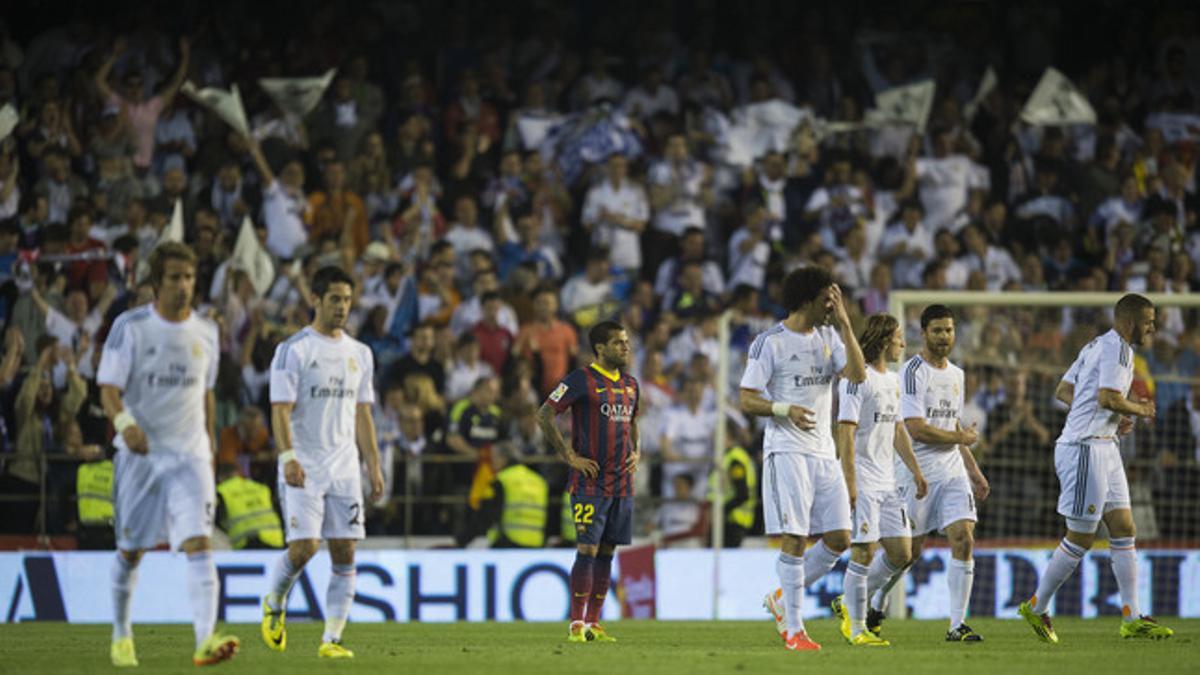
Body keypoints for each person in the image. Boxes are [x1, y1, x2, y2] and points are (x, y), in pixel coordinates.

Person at [96, 242, 238, 667]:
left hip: (190, 454)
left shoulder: (207, 333)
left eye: (189, 277)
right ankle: (122, 634)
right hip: (141, 456)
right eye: (174, 277)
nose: (183, 286)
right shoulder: (131, 327)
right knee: (131, 550)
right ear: (156, 283)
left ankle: (204, 639)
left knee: (199, 543)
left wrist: (209, 446)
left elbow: (206, 394)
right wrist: (125, 426)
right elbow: (108, 390)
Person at [1019, 294, 1174, 643]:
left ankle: (1132, 617)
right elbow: (1106, 397)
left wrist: (1112, 417)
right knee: (1082, 536)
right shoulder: (1120, 350)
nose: (1152, 328)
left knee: (1124, 526)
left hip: (1105, 444)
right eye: (1149, 322)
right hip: (1085, 447)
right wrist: (1139, 409)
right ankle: (1036, 604)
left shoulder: (1094, 346)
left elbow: (1064, 390)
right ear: (1131, 322)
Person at [260, 266, 385, 660]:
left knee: (346, 551)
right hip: (304, 464)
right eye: (334, 299)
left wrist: (374, 465)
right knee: (304, 547)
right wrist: (287, 456)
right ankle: (274, 600)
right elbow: (280, 411)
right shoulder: (294, 350)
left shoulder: (360, 354)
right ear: (315, 299)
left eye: (347, 299)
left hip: (344, 466)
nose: (342, 307)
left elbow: (363, 414)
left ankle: (331, 640)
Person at [741, 266, 867, 652]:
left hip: (823, 452)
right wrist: (783, 409)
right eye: (828, 297)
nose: (833, 303)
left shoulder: (829, 336)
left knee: (840, 537)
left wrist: (845, 324)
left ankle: (782, 599)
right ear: (809, 299)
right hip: (787, 451)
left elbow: (858, 376)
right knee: (795, 537)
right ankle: (794, 630)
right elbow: (746, 398)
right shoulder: (770, 342)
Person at [889, 305, 990, 642]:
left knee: (964, 537)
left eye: (949, 330)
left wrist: (973, 469)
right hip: (915, 473)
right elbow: (915, 428)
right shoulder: (913, 371)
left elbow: (953, 425)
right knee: (907, 554)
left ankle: (956, 625)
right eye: (937, 331)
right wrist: (960, 437)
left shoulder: (958, 375)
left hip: (951, 473)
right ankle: (875, 602)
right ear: (923, 333)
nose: (944, 337)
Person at [828, 313, 928, 646]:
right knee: (864, 552)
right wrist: (850, 480)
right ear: (886, 340)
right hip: (865, 480)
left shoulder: (895, 380)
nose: (904, 343)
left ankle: (849, 599)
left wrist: (915, 469)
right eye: (900, 337)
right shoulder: (858, 379)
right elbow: (845, 430)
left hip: (889, 482)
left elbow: (898, 429)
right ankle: (857, 628)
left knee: (902, 553)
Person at [538, 320, 641, 643]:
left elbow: (633, 420)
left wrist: (637, 451)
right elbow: (544, 414)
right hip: (590, 482)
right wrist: (568, 455)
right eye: (618, 343)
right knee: (587, 548)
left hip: (622, 482)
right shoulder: (580, 380)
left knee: (608, 552)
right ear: (600, 348)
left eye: (626, 342)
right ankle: (576, 624)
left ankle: (595, 624)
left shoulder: (630, 384)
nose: (625, 347)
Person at [483, 443, 550, 548]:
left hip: (508, 544)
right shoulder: (539, 481)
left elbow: (491, 514)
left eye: (494, 458)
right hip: (537, 543)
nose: (492, 463)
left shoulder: (502, 479)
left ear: (504, 459)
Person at [215, 464, 284, 550]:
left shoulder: (221, 491)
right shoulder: (261, 488)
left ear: (220, 478)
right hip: (276, 542)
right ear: (239, 473)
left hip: (247, 545)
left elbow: (215, 523)